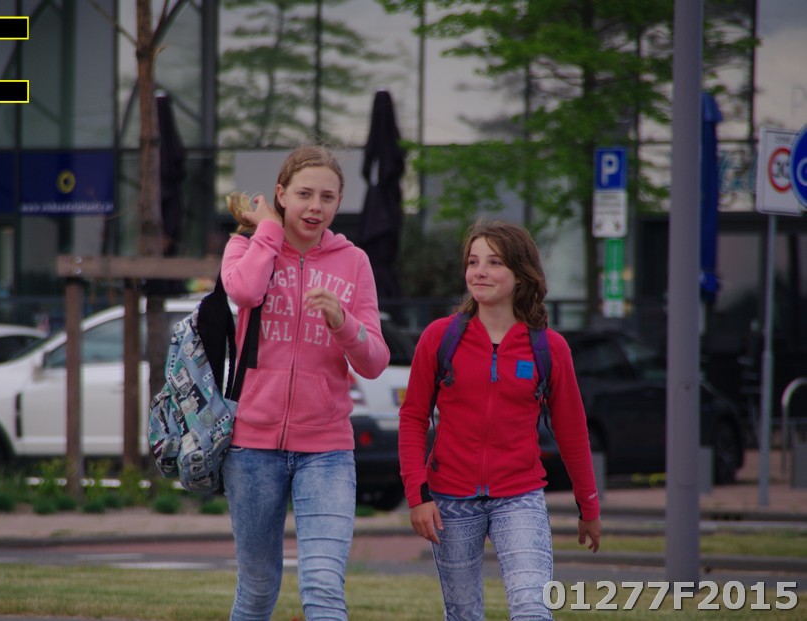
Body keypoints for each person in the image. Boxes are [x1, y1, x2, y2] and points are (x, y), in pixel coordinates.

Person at [398, 219, 602, 621]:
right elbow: (412, 418)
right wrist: (417, 496)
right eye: (473, 262)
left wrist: (589, 506)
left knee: (532, 607)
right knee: (463, 613)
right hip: (450, 500)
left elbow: (573, 432)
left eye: (494, 262)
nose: (480, 271)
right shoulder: (440, 337)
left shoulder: (549, 347)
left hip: (519, 496)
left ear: (520, 274)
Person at [220, 145, 391, 620]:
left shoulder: (353, 262)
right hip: (252, 448)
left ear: (339, 203)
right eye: (304, 194)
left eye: (327, 197)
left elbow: (375, 361)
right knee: (257, 590)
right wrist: (268, 232)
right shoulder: (245, 247)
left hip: (327, 450)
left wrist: (343, 323)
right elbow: (245, 291)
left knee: (322, 587)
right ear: (281, 194)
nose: (316, 207)